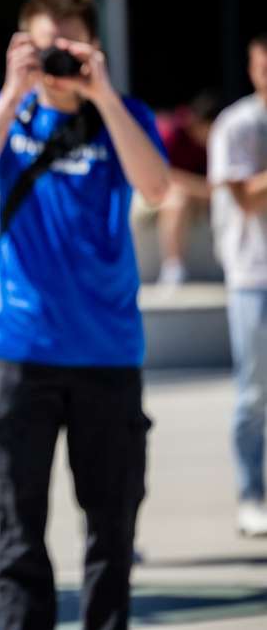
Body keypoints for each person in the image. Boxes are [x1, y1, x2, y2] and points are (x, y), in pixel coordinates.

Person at [0, 0, 169, 630]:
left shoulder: (124, 114)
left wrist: (101, 94)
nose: (57, 66)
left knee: (112, 527)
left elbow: (154, 185)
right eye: (44, 50)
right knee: (19, 530)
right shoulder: (5, 113)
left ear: (93, 47)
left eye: (68, 49)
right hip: (20, 349)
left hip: (107, 351)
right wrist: (13, 94)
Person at [208, 33, 267, 537]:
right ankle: (252, 493)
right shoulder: (237, 124)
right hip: (254, 277)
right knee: (254, 394)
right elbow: (247, 198)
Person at [154, 91, 220, 285]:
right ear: (199, 123)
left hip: (203, 197)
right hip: (156, 195)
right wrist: (204, 189)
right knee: (177, 200)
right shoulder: (170, 132)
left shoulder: (215, 142)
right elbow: (160, 176)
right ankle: (173, 268)